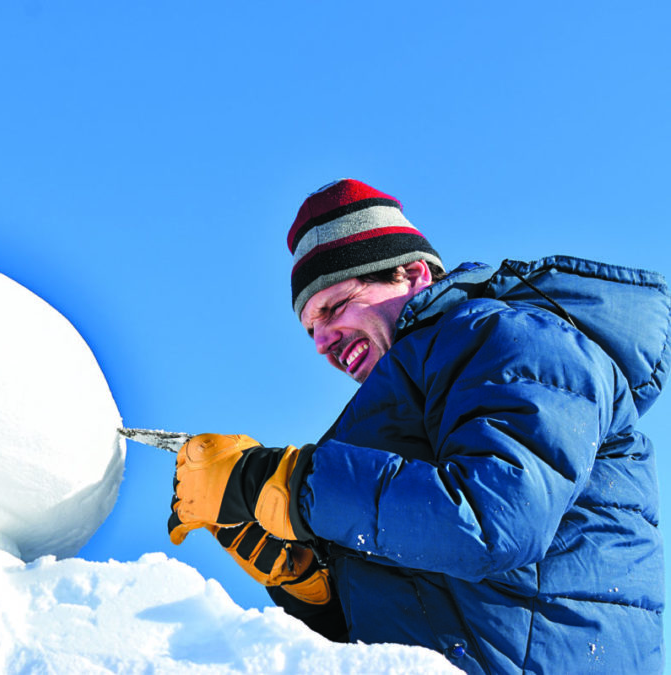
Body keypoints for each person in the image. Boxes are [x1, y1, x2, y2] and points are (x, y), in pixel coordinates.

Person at [167, 179, 667, 674]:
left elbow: (493, 519)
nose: (322, 342)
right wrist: (311, 588)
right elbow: (417, 626)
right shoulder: (399, 420)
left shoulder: (514, 340)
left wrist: (288, 486)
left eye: (334, 307)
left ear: (412, 274)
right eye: (310, 330)